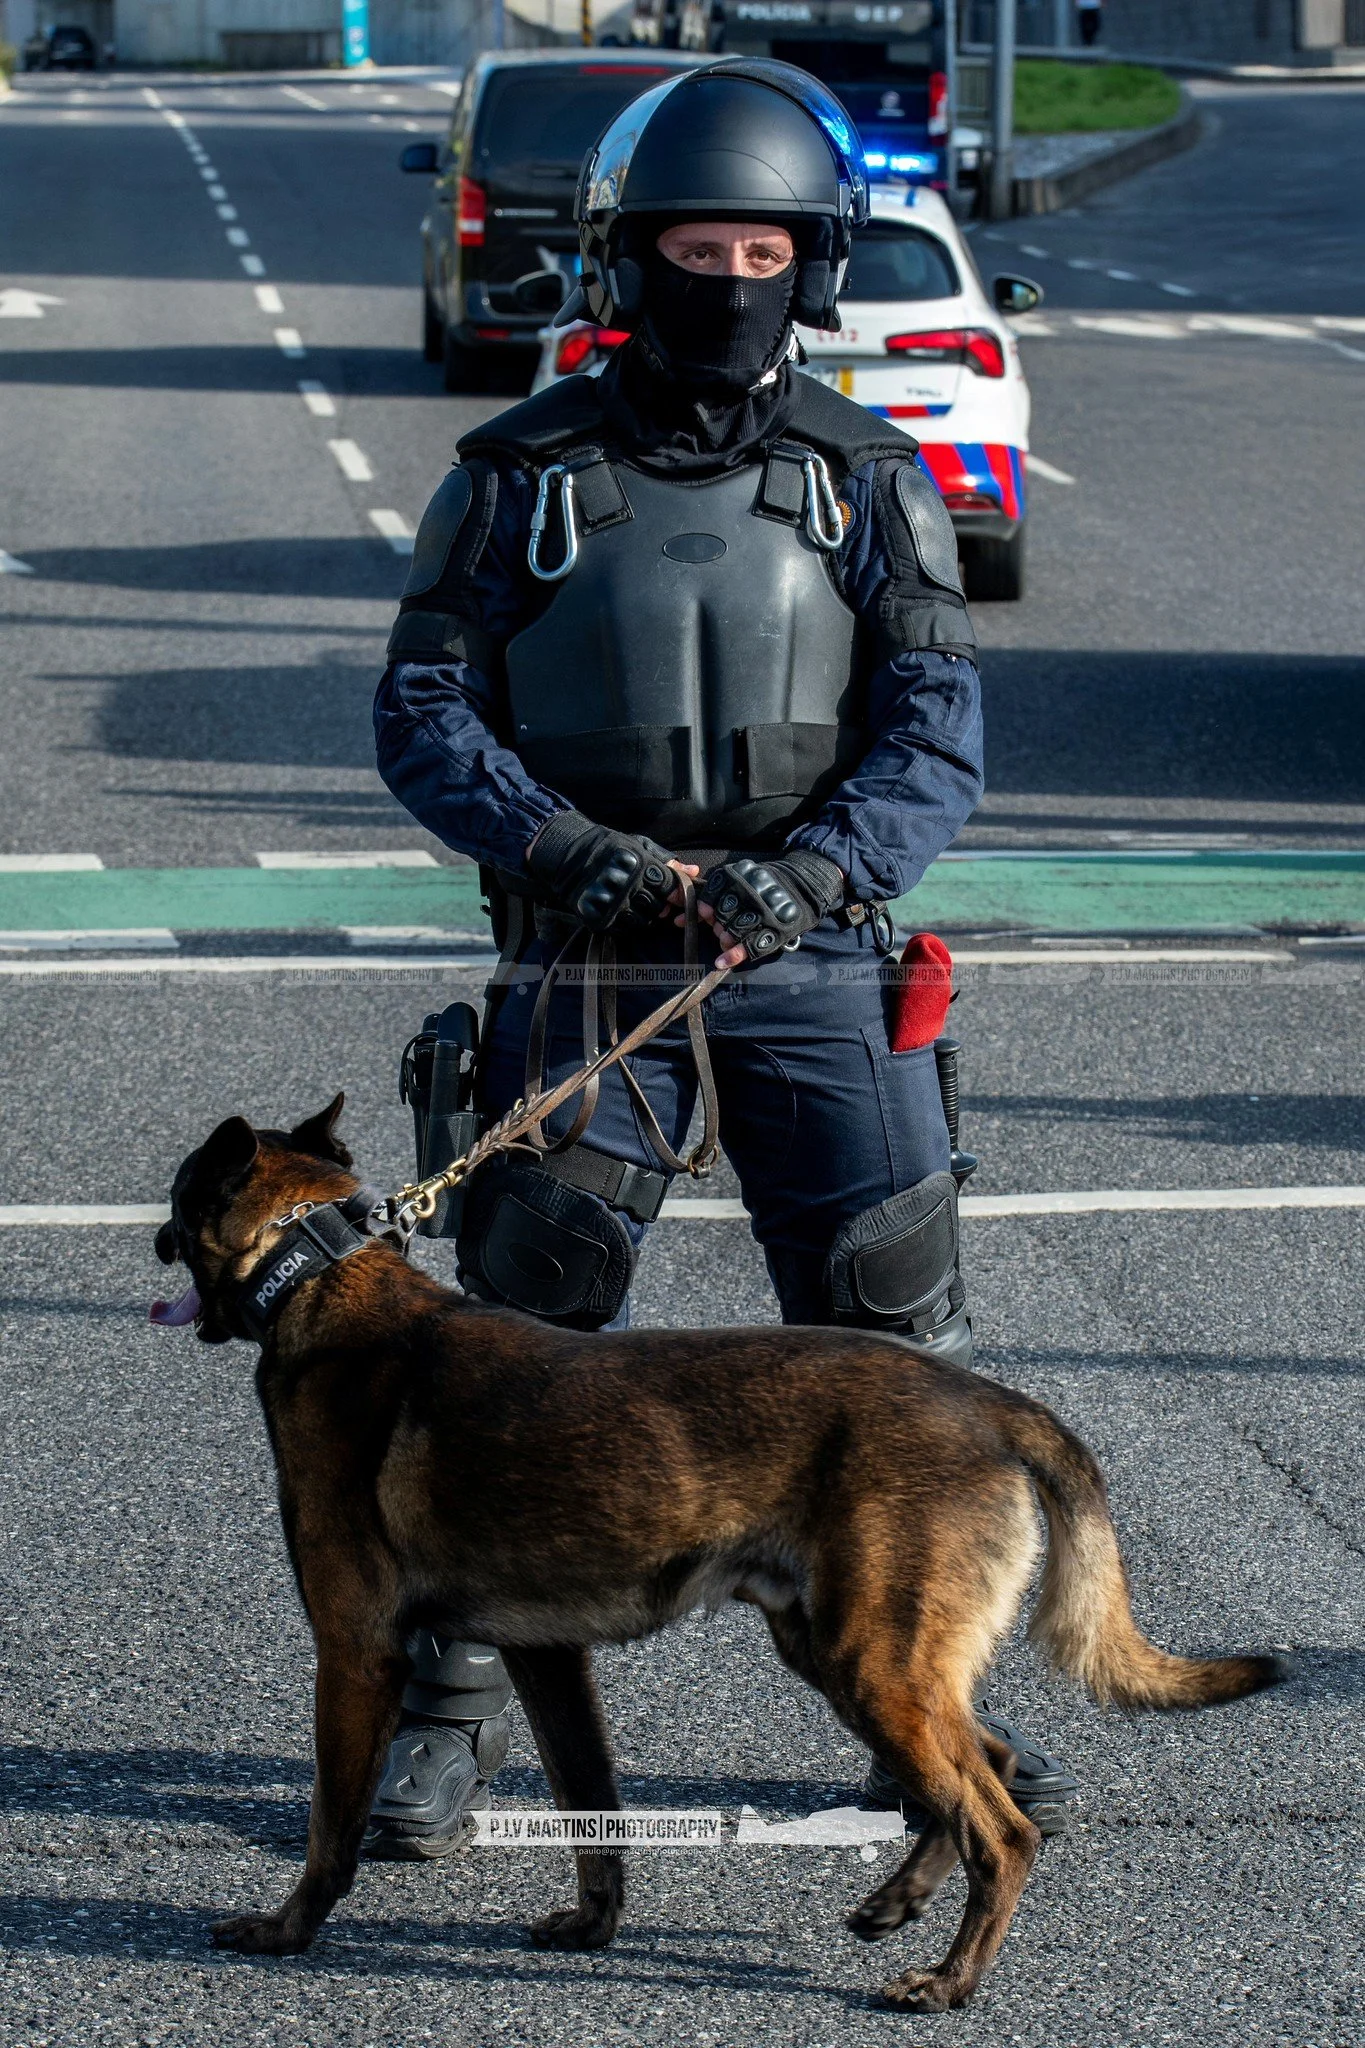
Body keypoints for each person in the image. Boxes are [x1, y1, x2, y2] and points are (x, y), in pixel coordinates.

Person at [366, 56, 1078, 1859]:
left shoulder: (870, 479)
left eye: (766, 245)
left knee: (892, 1337)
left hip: (818, 956)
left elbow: (935, 735)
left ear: (811, 265)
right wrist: (574, 852)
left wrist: (820, 871)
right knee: (513, 1343)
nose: (732, 274)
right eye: (699, 242)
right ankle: (433, 1722)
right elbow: (426, 717)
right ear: (624, 258)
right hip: (591, 954)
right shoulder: (514, 478)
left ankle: (926, 1722)